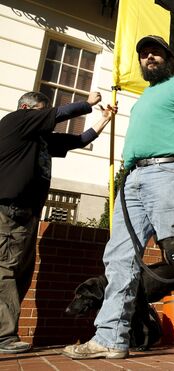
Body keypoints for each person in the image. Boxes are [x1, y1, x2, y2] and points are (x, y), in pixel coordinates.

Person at [62, 35, 174, 359]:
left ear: (169, 59)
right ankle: (111, 337)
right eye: (144, 54)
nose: (149, 57)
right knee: (118, 259)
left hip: (166, 173)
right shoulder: (142, 99)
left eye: (155, 52)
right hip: (132, 179)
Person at [0, 91, 116, 354]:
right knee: (6, 271)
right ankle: (3, 337)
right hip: (8, 210)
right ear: (28, 108)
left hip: (27, 215)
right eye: (42, 111)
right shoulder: (16, 120)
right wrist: (89, 103)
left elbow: (79, 140)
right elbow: (61, 114)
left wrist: (105, 120)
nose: (45, 116)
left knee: (21, 274)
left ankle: (6, 333)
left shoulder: (38, 140)